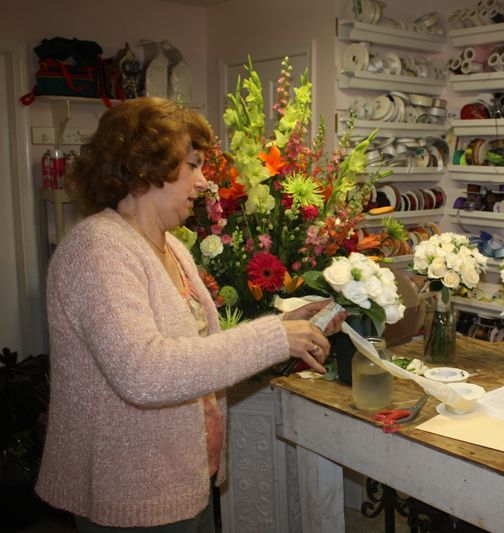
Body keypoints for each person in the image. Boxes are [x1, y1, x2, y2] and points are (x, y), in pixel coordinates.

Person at [35, 97, 343, 531]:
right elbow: (143, 370)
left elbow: (194, 354)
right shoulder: (97, 248)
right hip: (130, 492)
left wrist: (290, 326)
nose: (203, 183)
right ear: (147, 169)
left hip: (184, 475)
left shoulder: (171, 246)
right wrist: (274, 337)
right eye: (193, 165)